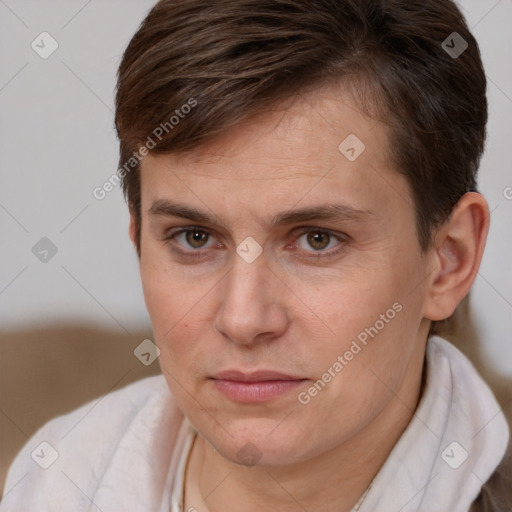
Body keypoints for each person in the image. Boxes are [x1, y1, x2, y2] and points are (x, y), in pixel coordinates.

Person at [1, 0, 511, 510]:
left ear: (449, 260)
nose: (243, 319)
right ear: (139, 242)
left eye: (317, 239)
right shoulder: (48, 484)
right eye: (194, 238)